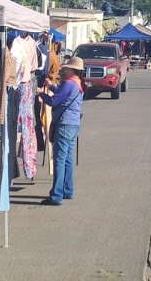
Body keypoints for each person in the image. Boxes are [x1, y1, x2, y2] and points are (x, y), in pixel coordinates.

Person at [38, 56, 85, 205]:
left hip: (64, 125)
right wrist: (51, 86)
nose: (64, 70)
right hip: (73, 125)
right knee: (68, 160)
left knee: (59, 159)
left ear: (73, 70)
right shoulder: (78, 84)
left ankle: (56, 195)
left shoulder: (69, 84)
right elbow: (62, 94)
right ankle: (68, 190)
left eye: (67, 68)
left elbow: (54, 101)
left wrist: (40, 93)